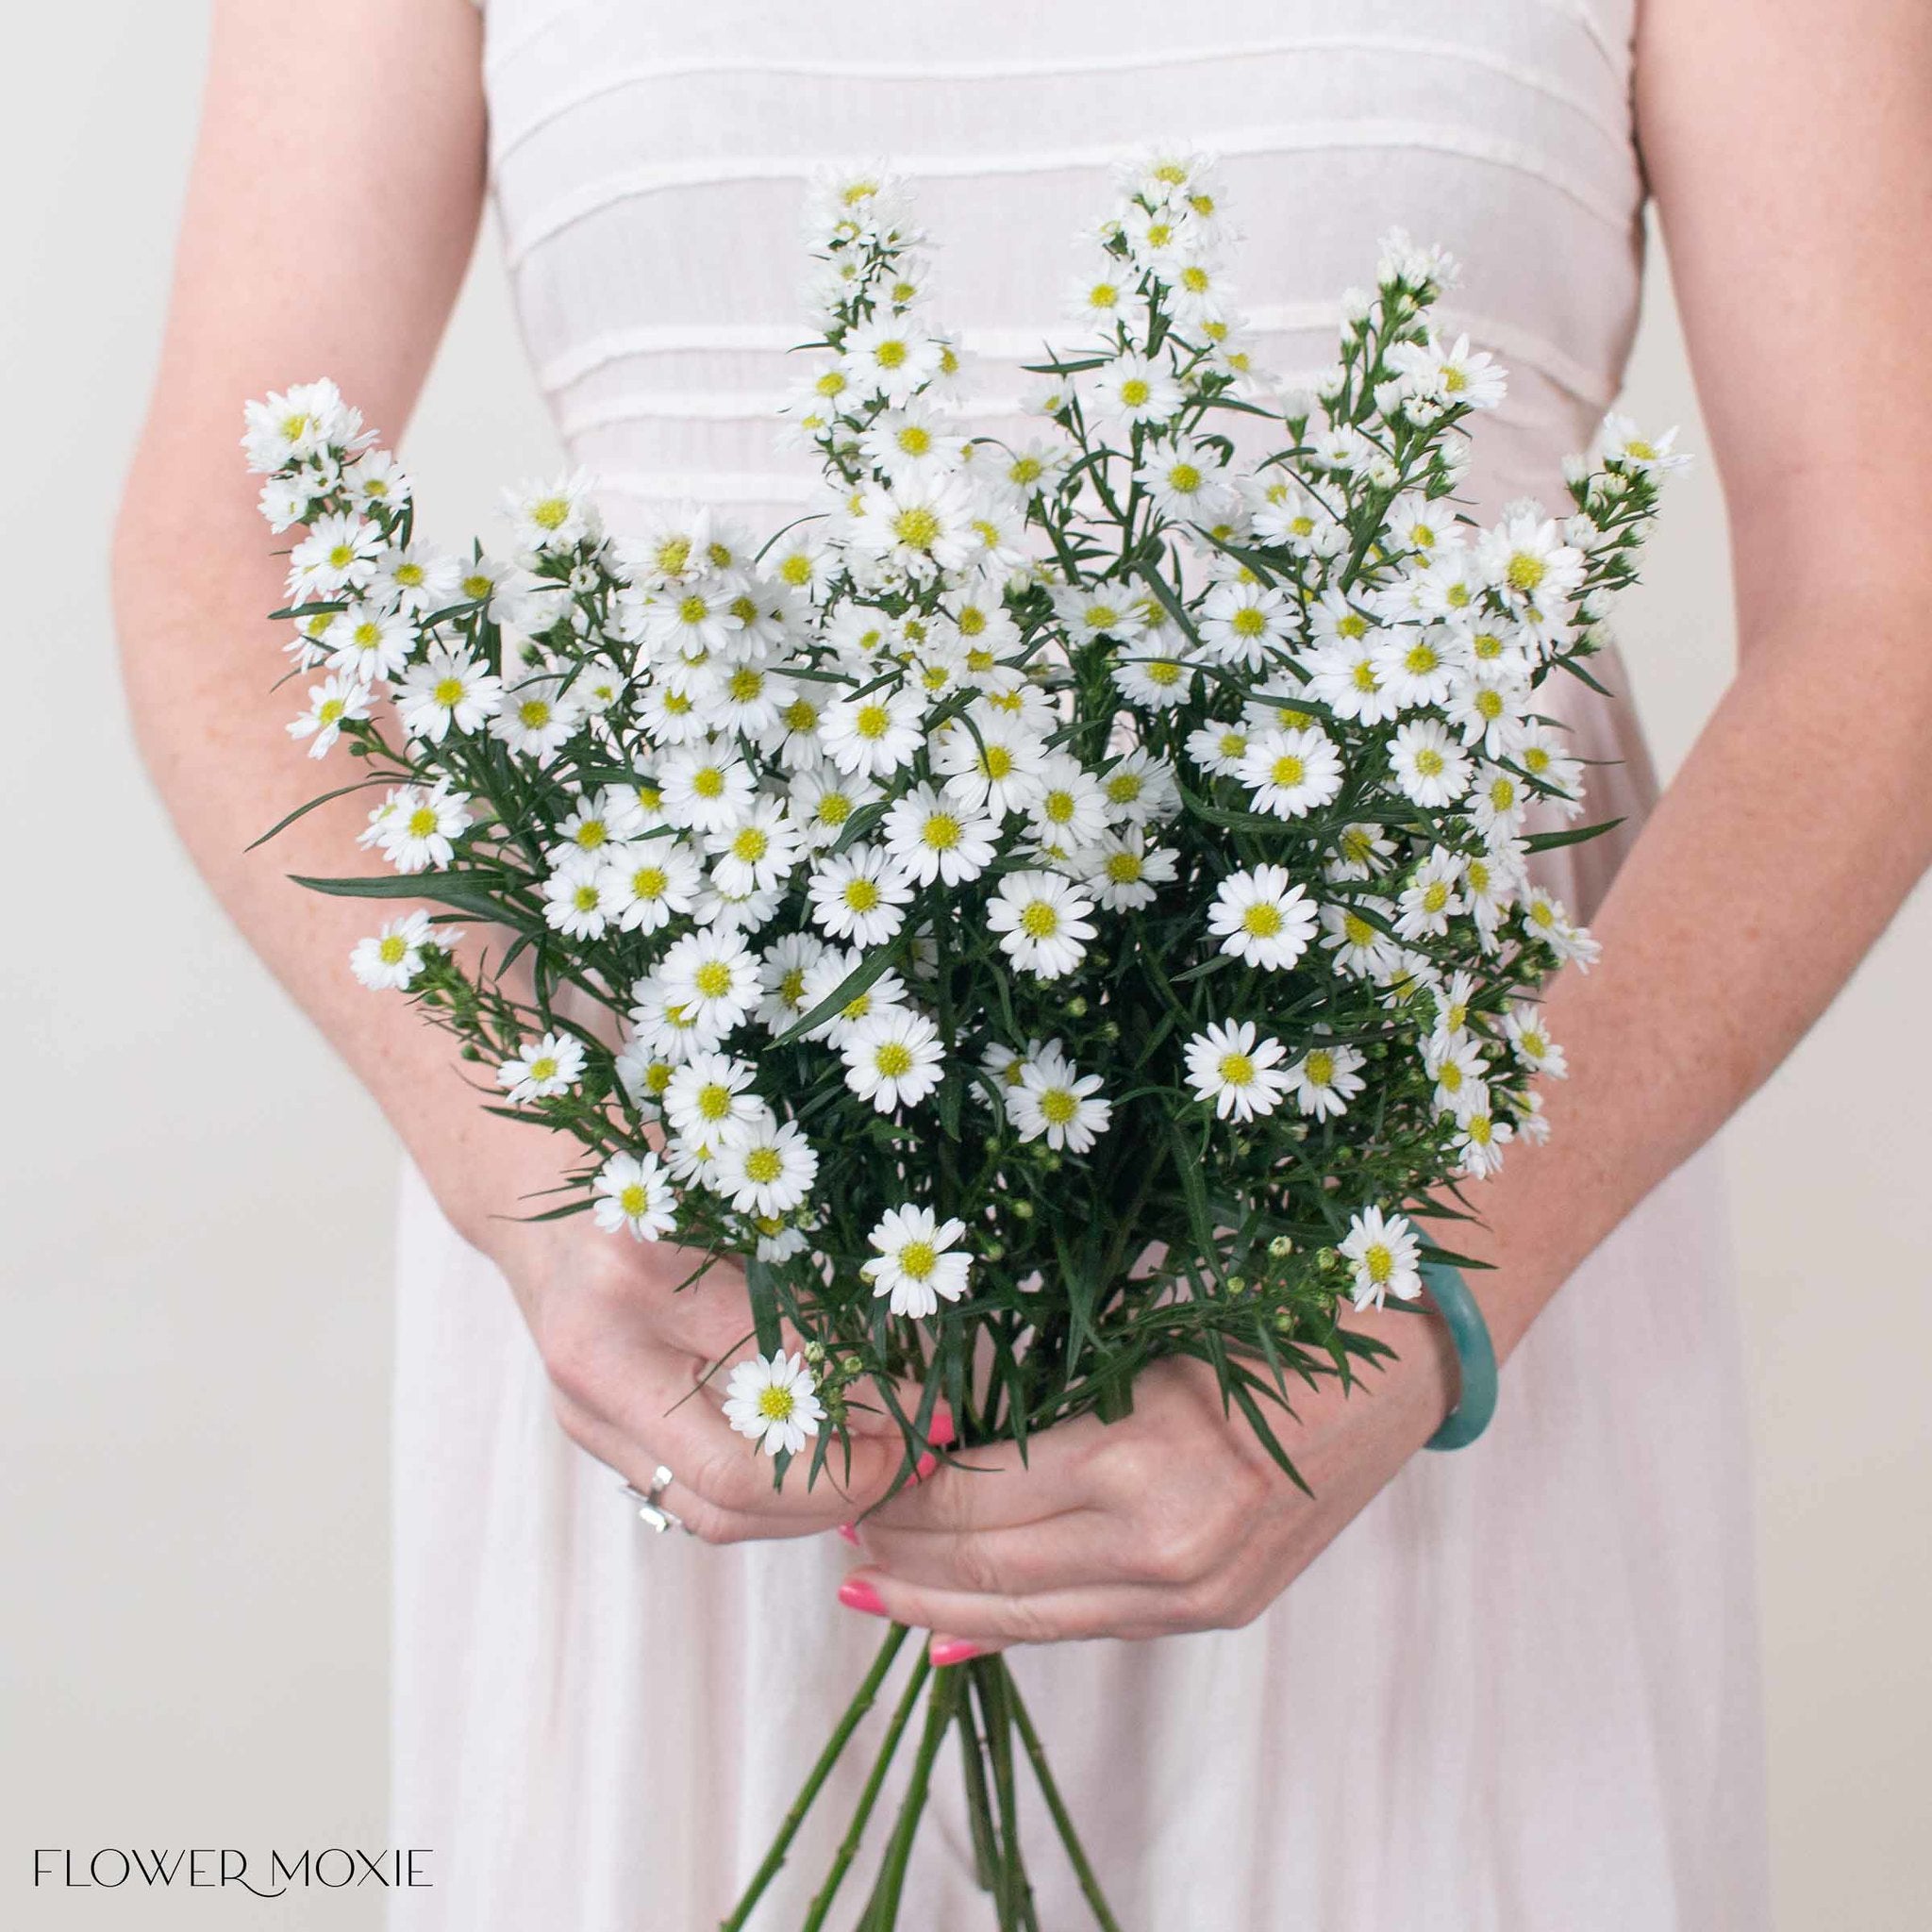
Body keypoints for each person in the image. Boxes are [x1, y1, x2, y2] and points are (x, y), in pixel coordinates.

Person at [114, 1, 1932, 1924]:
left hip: (1427, 1267)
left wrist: (1437, 1292)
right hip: (711, 1279)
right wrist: (534, 1165)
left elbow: (1883, 594)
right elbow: (224, 555)